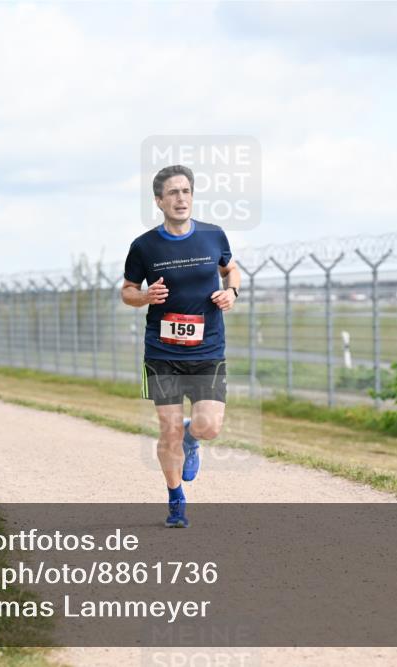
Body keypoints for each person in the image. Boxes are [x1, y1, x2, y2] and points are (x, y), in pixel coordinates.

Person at [122, 165, 241, 528]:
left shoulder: (212, 235)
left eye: (186, 191)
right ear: (158, 201)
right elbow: (127, 291)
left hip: (207, 349)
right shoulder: (144, 246)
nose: (180, 198)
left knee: (209, 426)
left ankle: (193, 437)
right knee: (167, 430)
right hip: (162, 352)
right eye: (172, 193)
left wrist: (231, 292)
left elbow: (231, 269)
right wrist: (144, 296)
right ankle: (176, 501)